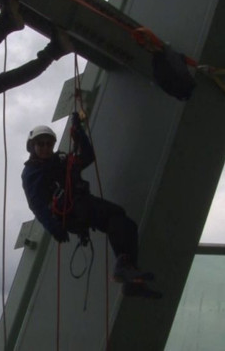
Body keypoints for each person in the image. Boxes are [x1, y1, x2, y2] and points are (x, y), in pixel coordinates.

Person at [21, 114, 160, 297]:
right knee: (115, 215)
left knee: (125, 224)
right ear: (32, 146)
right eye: (41, 144)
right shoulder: (32, 173)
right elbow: (36, 204)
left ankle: (131, 278)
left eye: (49, 144)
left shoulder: (62, 162)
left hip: (80, 205)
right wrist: (53, 228)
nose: (46, 148)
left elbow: (87, 156)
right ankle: (126, 271)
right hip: (70, 211)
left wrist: (79, 132)